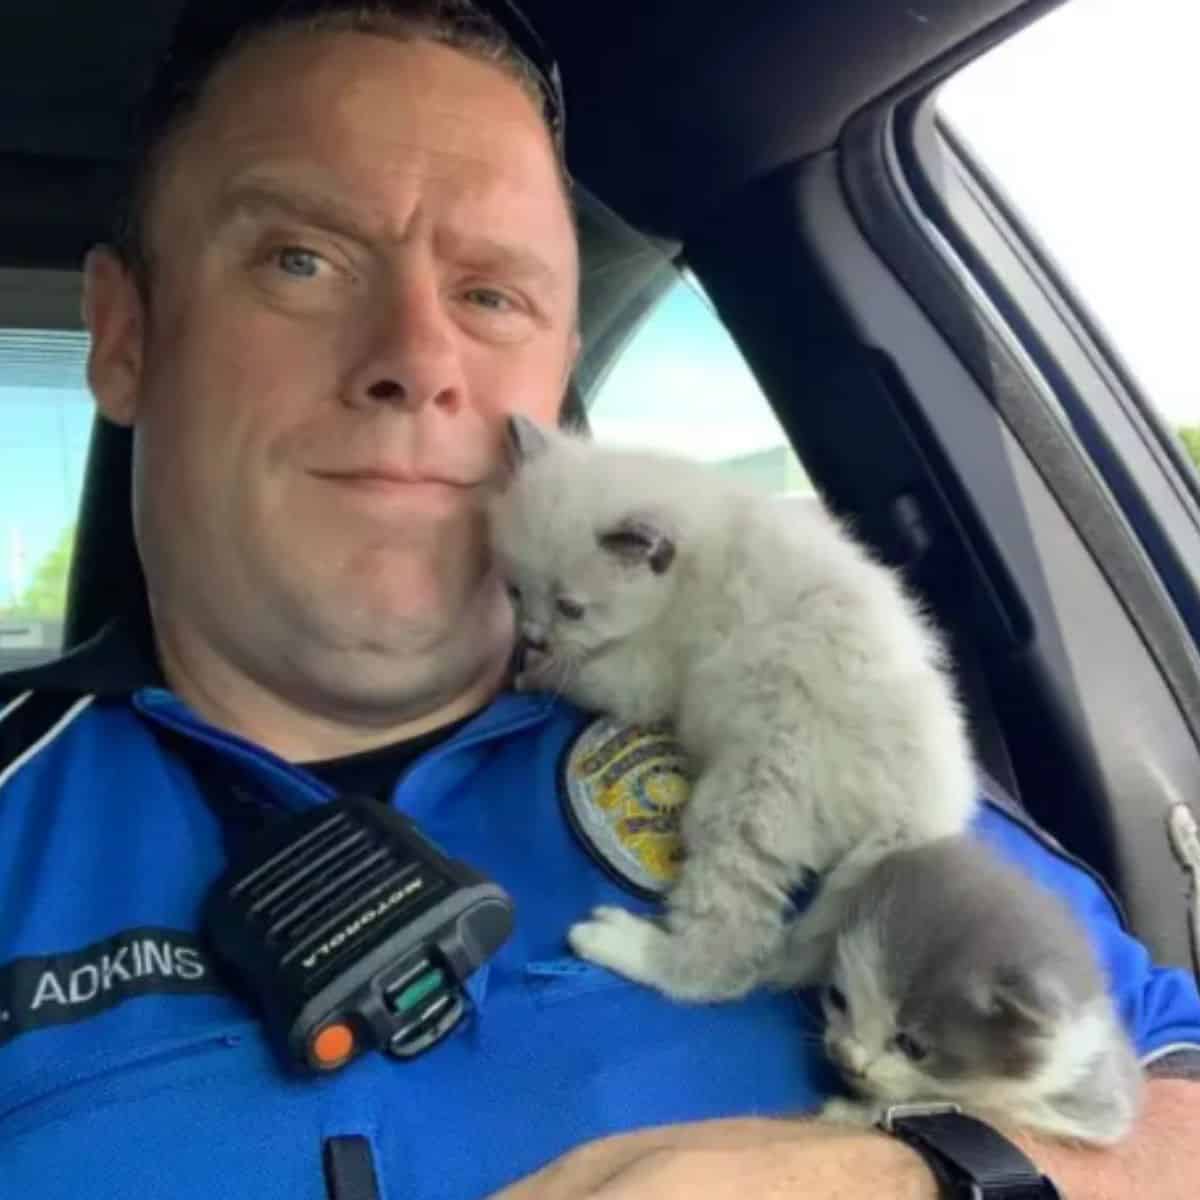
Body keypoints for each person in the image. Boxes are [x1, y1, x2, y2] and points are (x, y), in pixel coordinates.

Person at [1, 2, 1198, 1196]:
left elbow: (1166, 1085)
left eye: (492, 296)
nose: (418, 356)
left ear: (556, 383)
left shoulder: (809, 733)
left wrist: (914, 1179)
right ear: (125, 337)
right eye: (301, 259)